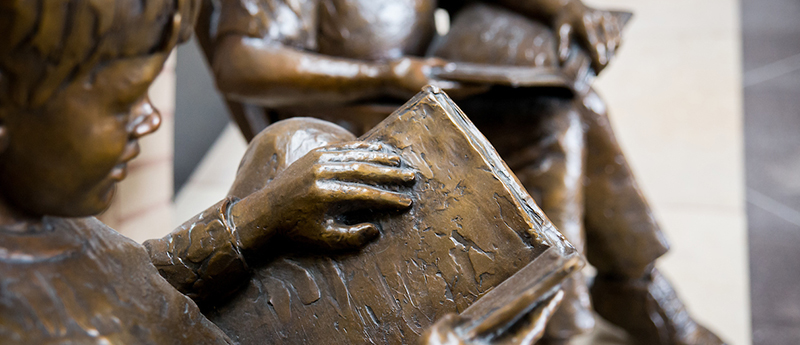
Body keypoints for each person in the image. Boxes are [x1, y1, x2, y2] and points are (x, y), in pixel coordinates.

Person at [0, 0, 558, 343]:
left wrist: (261, 217)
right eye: (123, 103)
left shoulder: (45, 224)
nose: (148, 119)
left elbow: (141, 281)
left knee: (297, 147)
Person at [200, 0, 727, 344]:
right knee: (558, 123)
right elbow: (242, 61)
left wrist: (563, 8)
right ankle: (579, 313)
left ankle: (618, 289)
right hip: (361, 130)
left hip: (431, 92)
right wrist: (385, 75)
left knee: (570, 99)